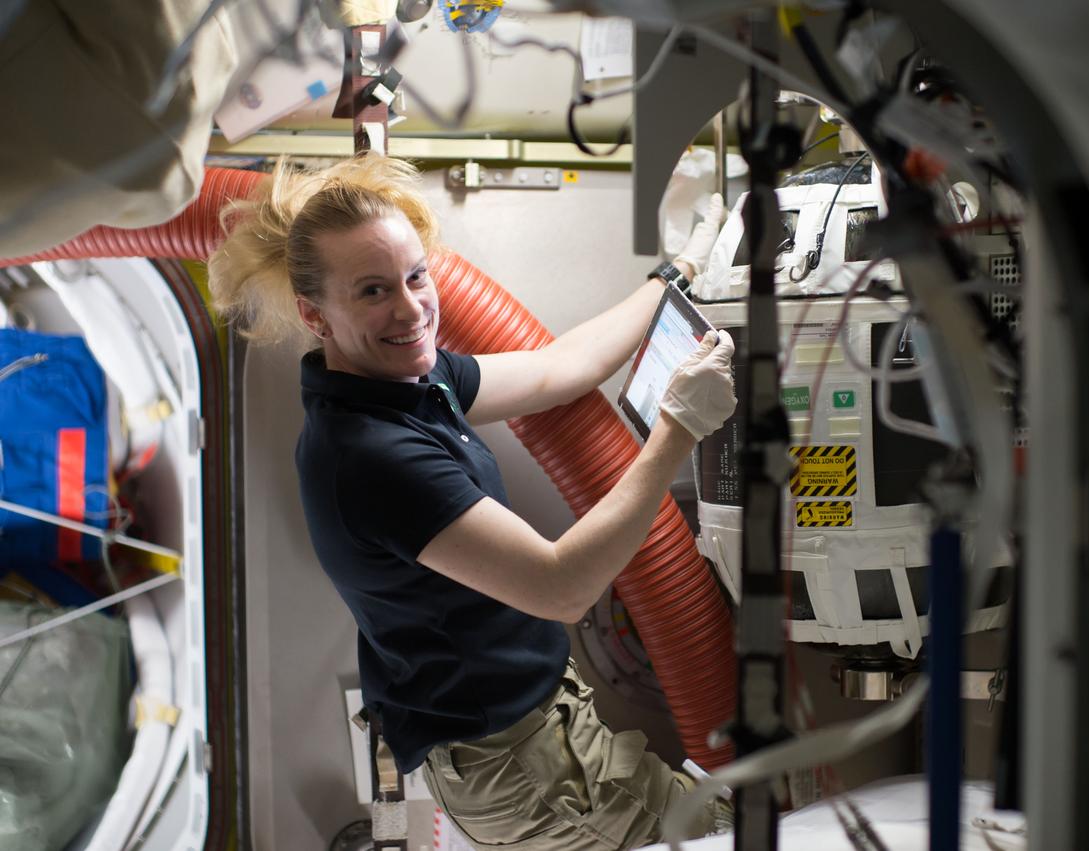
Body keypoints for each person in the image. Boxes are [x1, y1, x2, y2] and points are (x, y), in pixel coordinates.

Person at [208, 154, 736, 849]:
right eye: (372, 290)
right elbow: (561, 585)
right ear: (317, 315)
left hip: (528, 741)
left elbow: (559, 366)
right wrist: (677, 427)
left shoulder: (400, 381)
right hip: (524, 769)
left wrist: (678, 274)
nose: (410, 307)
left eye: (415, 275)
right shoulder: (371, 453)